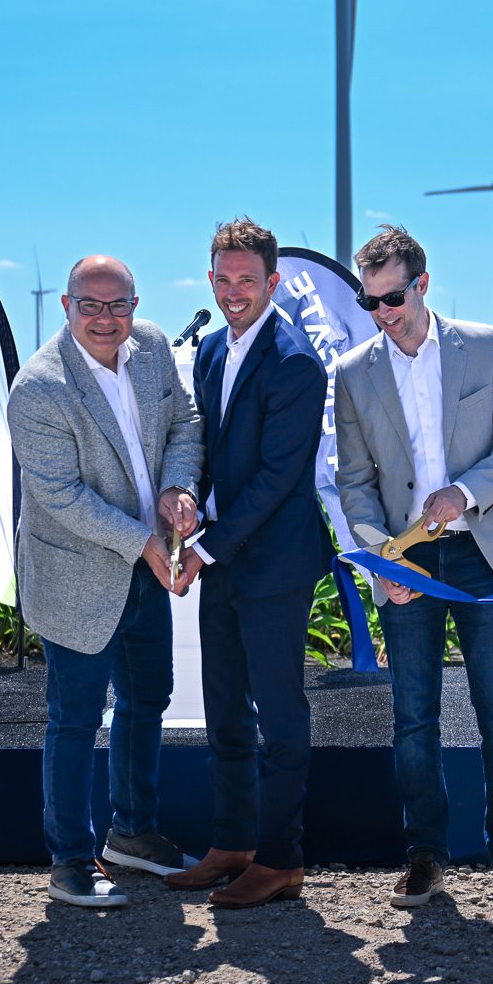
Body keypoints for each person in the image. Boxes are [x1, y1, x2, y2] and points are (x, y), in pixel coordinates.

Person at [331, 224, 493, 911]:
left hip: (486, 551)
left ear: (422, 284)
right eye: (370, 302)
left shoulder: (484, 346)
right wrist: (380, 560)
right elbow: (353, 483)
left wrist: (467, 490)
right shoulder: (351, 372)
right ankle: (425, 853)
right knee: (412, 717)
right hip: (409, 561)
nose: (381, 314)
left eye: (391, 297)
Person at [7, 255, 203, 909]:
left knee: (148, 697)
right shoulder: (37, 388)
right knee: (75, 718)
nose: (105, 318)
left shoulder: (149, 348)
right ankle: (69, 860)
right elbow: (62, 496)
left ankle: (133, 832)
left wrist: (177, 485)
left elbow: (186, 421)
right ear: (66, 306)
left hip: (147, 569)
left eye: (118, 304)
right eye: (90, 305)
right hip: (75, 575)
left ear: (136, 304)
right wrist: (147, 540)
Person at [162, 218, 337, 908]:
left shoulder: (297, 361)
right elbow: (212, 447)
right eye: (223, 279)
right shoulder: (209, 351)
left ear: (273, 281)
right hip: (224, 554)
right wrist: (186, 500)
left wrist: (205, 547)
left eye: (247, 280)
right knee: (225, 711)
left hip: (273, 564)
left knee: (281, 716)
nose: (234, 291)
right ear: (211, 281)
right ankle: (233, 841)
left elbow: (274, 477)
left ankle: (281, 858)